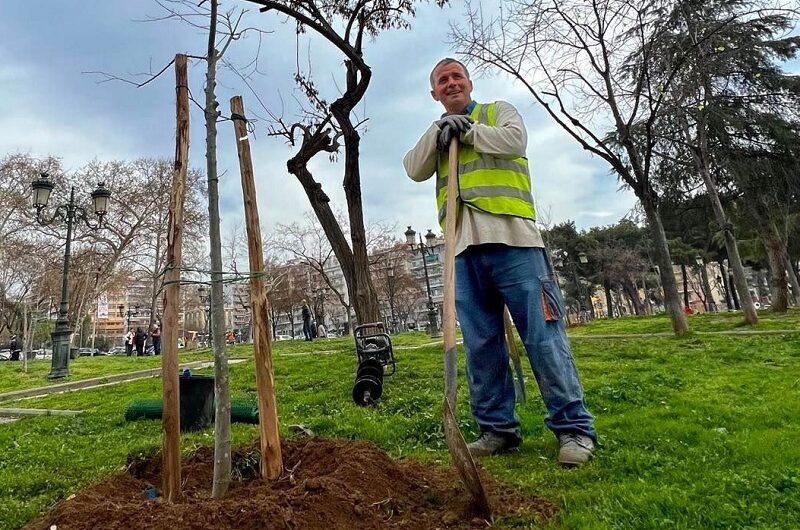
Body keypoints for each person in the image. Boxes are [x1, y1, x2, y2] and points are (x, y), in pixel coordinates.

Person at [403, 58, 597, 466]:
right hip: (462, 249)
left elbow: (515, 142)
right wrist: (441, 131)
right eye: (442, 80)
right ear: (434, 93)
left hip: (514, 242)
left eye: (457, 76)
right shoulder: (436, 134)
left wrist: (470, 131)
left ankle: (574, 430)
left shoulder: (498, 113)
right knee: (481, 344)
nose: (451, 83)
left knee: (543, 339)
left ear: (469, 83)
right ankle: (497, 430)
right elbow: (412, 168)